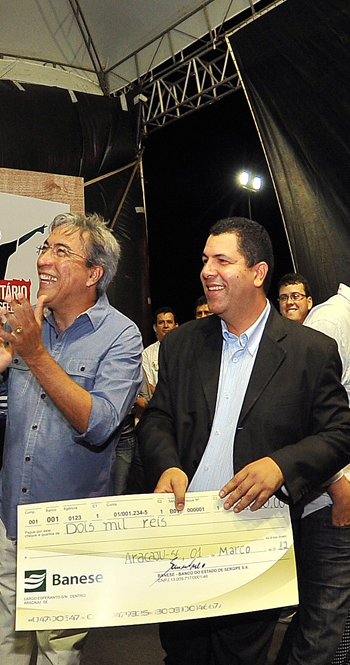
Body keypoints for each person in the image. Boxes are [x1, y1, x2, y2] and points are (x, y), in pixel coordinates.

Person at [137, 218, 350, 665]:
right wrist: (167, 465)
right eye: (204, 260)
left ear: (257, 272)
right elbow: (157, 418)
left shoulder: (311, 351)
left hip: (256, 539)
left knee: (240, 656)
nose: (207, 271)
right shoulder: (180, 345)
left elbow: (339, 432)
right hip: (184, 536)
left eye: (222, 260)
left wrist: (282, 466)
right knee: (181, 654)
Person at [0, 212, 143, 665]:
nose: (43, 260)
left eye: (61, 251)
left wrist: (35, 354)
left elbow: (100, 424)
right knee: (6, 644)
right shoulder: (20, 327)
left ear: (93, 273)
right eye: (44, 249)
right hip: (11, 517)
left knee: (58, 650)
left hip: (69, 529)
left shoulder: (121, 335)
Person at [283, 283, 350, 665]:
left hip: (336, 493)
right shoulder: (331, 320)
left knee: (327, 622)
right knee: (324, 626)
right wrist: (338, 487)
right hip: (330, 499)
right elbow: (300, 413)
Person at [141, 307, 177, 396]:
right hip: (158, 400)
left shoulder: (186, 349)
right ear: (155, 328)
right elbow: (148, 386)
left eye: (169, 322)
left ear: (176, 326)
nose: (165, 325)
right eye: (161, 322)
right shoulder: (147, 354)